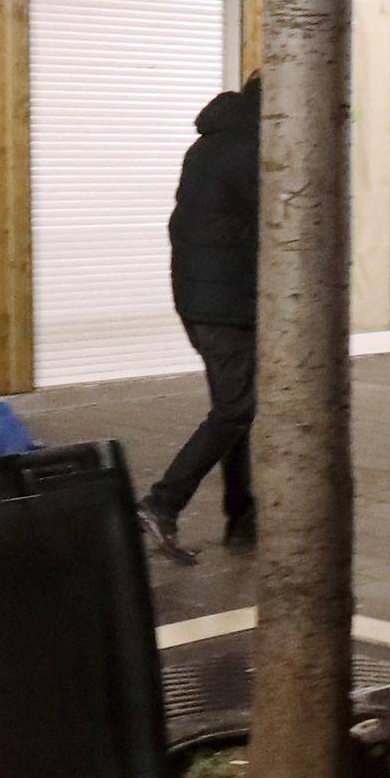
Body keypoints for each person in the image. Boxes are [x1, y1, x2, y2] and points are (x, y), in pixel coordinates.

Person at [140, 76, 261, 566]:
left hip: (203, 299)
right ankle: (162, 503)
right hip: (225, 305)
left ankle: (242, 513)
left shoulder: (208, 144)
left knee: (236, 404)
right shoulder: (249, 153)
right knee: (234, 410)